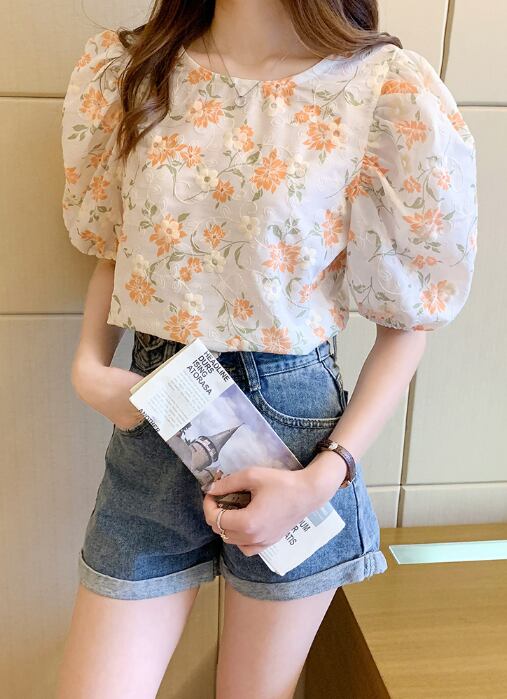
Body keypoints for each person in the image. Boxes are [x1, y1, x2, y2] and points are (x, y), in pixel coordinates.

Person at [55, 1, 478, 697]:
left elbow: (409, 320)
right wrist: (86, 365)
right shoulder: (134, 69)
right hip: (154, 411)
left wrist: (324, 477)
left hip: (294, 437)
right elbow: (115, 245)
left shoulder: (380, 89)